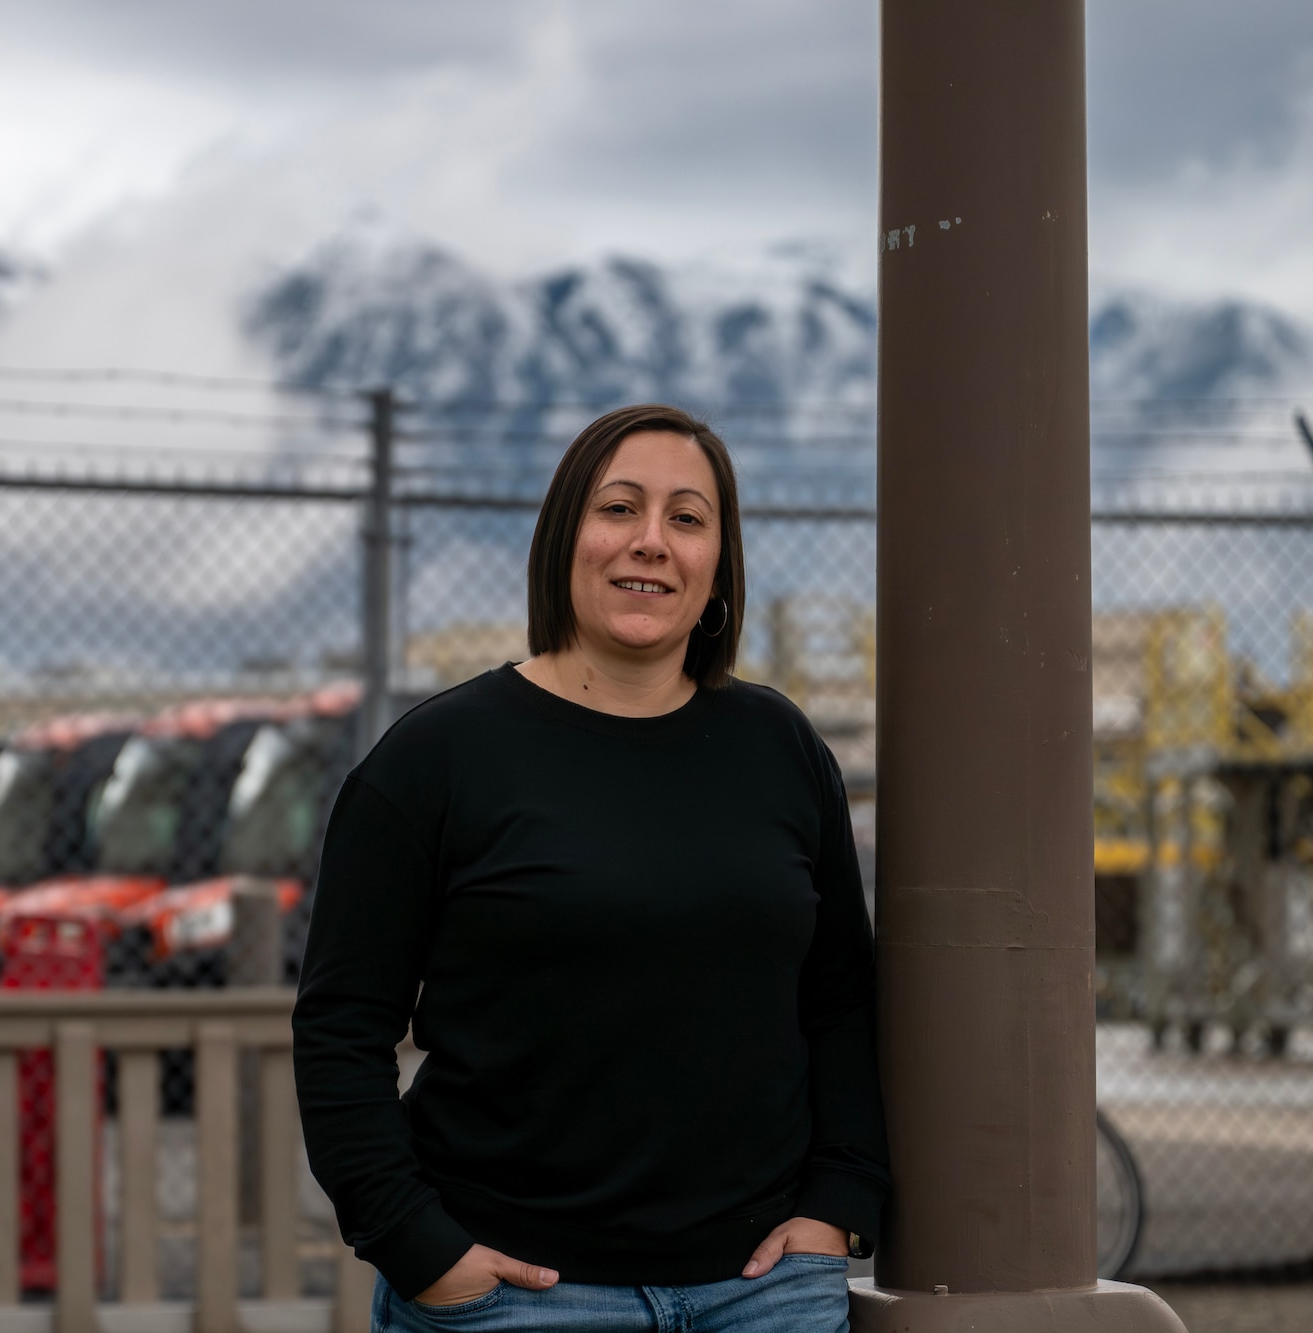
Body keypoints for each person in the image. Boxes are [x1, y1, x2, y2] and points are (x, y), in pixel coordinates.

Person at [293, 404, 888, 1332]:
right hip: (516, 1297)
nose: (651, 542)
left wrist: (837, 1204)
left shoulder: (780, 748)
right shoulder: (436, 758)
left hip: (765, 1293)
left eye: (687, 518)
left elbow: (843, 997)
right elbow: (341, 1023)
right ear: (564, 535)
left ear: (718, 564)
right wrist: (417, 1243)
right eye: (619, 509)